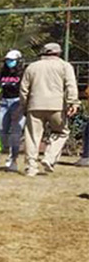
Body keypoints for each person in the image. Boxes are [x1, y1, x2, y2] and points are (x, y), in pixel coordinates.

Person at [19, 42, 81, 176]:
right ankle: (49, 157)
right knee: (62, 132)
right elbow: (71, 85)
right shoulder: (65, 66)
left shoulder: (32, 67)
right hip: (57, 105)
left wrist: (24, 105)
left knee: (32, 136)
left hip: (35, 105)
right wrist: (73, 102)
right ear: (58, 53)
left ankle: (31, 167)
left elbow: (24, 89)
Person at [0, 49, 26, 170]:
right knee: (2, 130)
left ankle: (13, 159)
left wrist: (21, 107)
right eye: (7, 60)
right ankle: (7, 150)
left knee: (15, 133)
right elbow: (0, 90)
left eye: (12, 60)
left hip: (17, 102)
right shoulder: (3, 73)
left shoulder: (23, 74)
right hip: (4, 102)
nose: (9, 62)